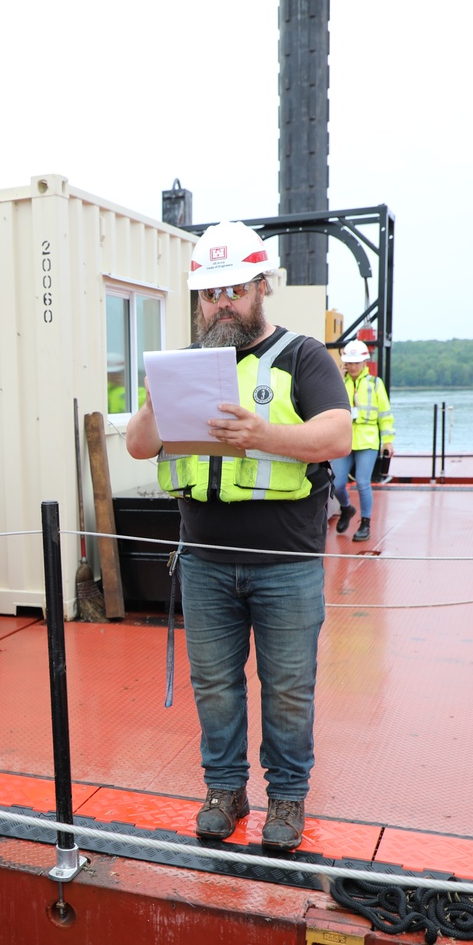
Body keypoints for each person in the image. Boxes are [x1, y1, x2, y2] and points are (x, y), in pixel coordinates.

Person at [126, 220, 351, 852]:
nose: (220, 303)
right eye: (209, 293)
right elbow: (141, 447)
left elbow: (337, 435)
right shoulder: (185, 367)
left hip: (286, 562)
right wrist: (153, 400)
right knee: (215, 685)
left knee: (286, 688)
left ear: (260, 288)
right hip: (203, 562)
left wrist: (261, 434)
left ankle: (286, 798)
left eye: (232, 290)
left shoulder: (303, 357)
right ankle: (224, 791)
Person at [330, 339, 395, 543]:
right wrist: (338, 379)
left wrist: (387, 440)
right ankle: (347, 508)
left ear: (364, 362)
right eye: (349, 362)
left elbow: (385, 414)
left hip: (367, 439)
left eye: (356, 362)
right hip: (345, 439)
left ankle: (365, 523)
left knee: (363, 482)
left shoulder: (375, 384)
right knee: (337, 482)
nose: (353, 366)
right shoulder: (341, 382)